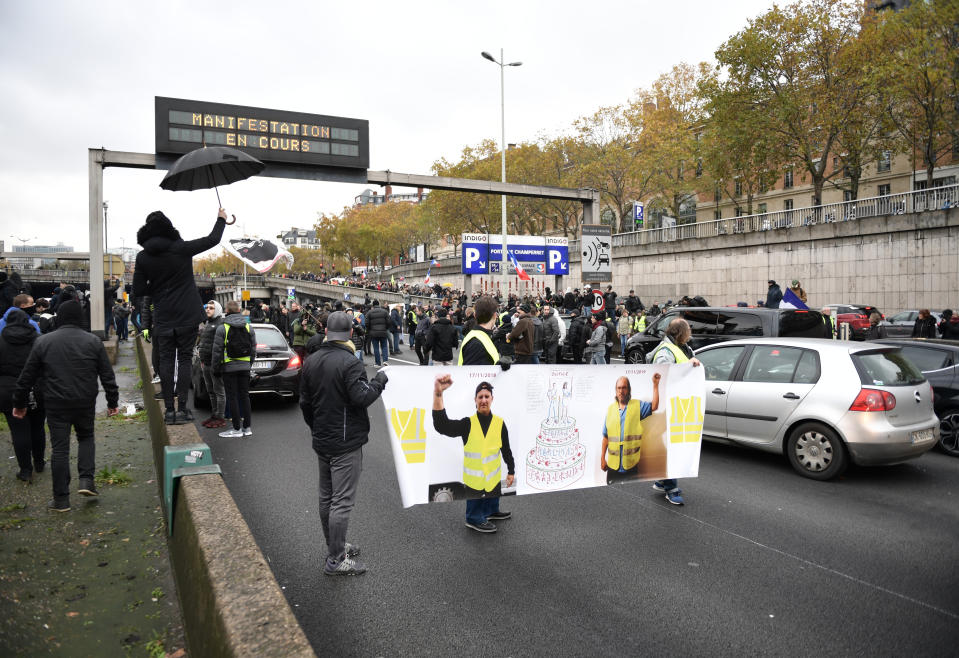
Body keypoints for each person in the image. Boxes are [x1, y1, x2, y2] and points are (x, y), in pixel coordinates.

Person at [299, 311, 388, 575]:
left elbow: (304, 403)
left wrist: (316, 428)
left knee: (327, 498)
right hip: (346, 443)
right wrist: (379, 381)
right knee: (342, 502)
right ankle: (336, 559)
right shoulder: (350, 363)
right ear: (350, 333)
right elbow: (362, 397)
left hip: (323, 439)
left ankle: (334, 546)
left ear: (326, 332)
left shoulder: (311, 361)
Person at [13, 300, 119, 512]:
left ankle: (61, 500)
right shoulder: (93, 341)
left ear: (59, 317)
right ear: (81, 318)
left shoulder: (43, 342)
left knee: (60, 449)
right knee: (86, 437)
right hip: (84, 401)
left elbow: (26, 377)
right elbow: (107, 375)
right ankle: (86, 481)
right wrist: (112, 402)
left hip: (55, 403)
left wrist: (20, 403)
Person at [134, 208, 227, 425]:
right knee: (184, 360)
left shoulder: (143, 257)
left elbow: (139, 289)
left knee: (166, 362)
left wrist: (157, 289)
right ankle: (183, 409)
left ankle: (168, 411)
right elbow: (213, 239)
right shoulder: (182, 249)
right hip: (187, 315)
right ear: (169, 228)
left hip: (164, 317)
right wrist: (221, 219)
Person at [432, 377, 515, 534]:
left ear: (492, 399)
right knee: (476, 498)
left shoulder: (499, 423)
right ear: (475, 400)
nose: (483, 400)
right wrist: (438, 395)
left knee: (493, 494)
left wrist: (511, 471)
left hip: (493, 477)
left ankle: (491, 512)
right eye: (480, 397)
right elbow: (442, 426)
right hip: (474, 480)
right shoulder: (467, 424)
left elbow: (506, 449)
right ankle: (473, 518)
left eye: (486, 396)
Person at [646, 317, 702, 505]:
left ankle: (663, 481)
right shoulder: (665, 351)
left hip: (679, 404)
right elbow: (662, 376)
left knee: (674, 444)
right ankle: (672, 488)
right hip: (667, 406)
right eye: (688, 330)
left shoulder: (683, 348)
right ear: (681, 333)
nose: (691, 334)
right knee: (671, 447)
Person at [0, 308, 46, 483]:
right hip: (37, 389)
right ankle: (40, 462)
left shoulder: (1, 340)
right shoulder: (39, 340)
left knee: (18, 431)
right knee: (38, 428)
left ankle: (25, 470)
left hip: (8, 392)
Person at [601, 374, 660, 484]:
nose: (621, 391)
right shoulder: (610, 410)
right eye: (619, 388)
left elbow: (654, 406)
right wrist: (602, 459)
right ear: (616, 390)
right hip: (613, 466)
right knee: (613, 494)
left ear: (628, 390)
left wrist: (655, 385)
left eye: (624, 388)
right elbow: (605, 437)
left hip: (631, 465)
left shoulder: (637, 406)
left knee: (632, 495)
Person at [213, 300, 256, 438]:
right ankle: (247, 428)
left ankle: (236, 429)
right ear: (238, 311)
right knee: (245, 396)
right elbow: (253, 348)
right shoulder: (248, 327)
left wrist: (216, 368)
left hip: (229, 368)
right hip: (245, 367)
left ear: (227, 311)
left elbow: (217, 351)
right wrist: (249, 364)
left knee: (232, 397)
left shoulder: (222, 328)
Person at [196, 300, 226, 429]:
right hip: (206, 363)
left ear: (217, 310)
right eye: (207, 307)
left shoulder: (220, 324)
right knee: (211, 391)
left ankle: (220, 417)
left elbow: (219, 347)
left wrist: (217, 364)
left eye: (211, 308)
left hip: (215, 364)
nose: (208, 309)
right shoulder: (209, 323)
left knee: (219, 392)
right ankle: (214, 414)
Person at [364, 300, 391, 366]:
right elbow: (389, 322)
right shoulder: (385, 312)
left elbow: (366, 323)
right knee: (384, 346)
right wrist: (385, 328)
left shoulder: (369, 312)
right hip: (383, 332)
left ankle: (377, 363)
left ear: (373, 305)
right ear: (379, 304)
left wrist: (370, 329)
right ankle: (385, 360)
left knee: (376, 348)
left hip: (373, 332)